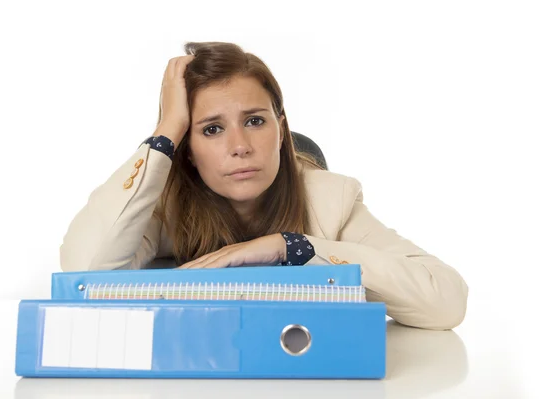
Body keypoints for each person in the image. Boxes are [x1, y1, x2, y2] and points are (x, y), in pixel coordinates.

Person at [60, 41, 468, 331]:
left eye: (255, 121)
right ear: (187, 148)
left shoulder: (329, 200)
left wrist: (294, 246)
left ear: (281, 130)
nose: (240, 147)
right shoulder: (161, 205)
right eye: (212, 129)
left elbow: (446, 302)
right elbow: (83, 279)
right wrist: (167, 130)